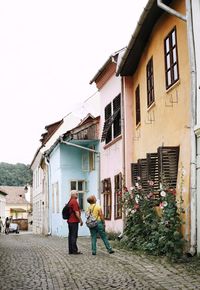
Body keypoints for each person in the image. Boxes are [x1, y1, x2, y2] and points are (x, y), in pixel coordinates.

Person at [67, 190, 83, 254]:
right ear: (73, 195)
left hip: (70, 221)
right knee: (74, 236)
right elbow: (76, 213)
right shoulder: (74, 201)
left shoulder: (70, 201)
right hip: (73, 221)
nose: (77, 195)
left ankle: (71, 250)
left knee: (70, 236)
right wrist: (80, 220)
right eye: (76, 194)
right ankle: (74, 250)